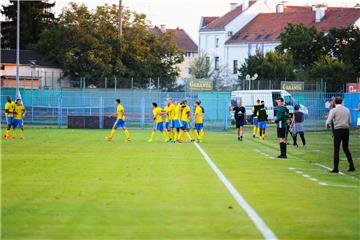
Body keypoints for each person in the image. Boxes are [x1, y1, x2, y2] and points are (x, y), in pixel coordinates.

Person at [325, 97, 355, 173]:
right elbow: (350, 122)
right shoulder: (347, 110)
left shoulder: (333, 110)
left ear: (335, 102)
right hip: (346, 130)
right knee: (346, 148)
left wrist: (327, 125)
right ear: (342, 102)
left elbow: (328, 121)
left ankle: (336, 168)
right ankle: (351, 165)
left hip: (338, 130)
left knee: (336, 149)